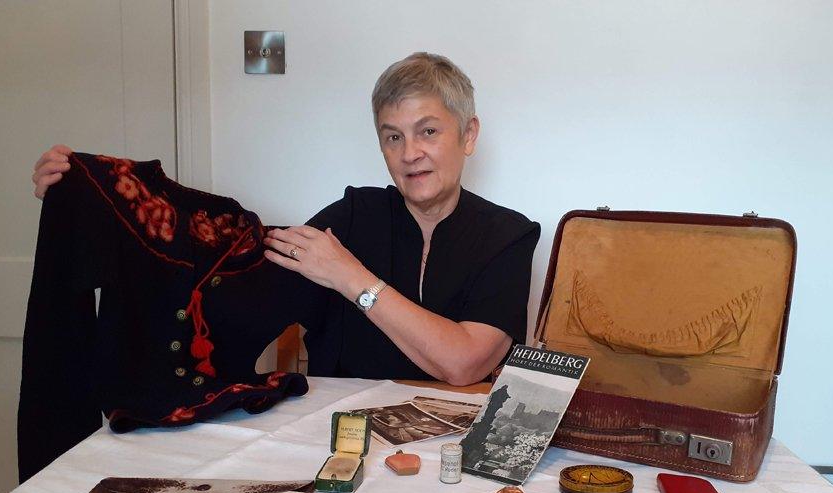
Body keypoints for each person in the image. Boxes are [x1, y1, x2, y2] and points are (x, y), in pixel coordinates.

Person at [31, 52, 540, 386]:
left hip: (452, 452)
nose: (410, 153)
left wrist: (350, 277)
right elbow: (227, 254)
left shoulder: (507, 236)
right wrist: (102, 196)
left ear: (468, 135)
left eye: (428, 131)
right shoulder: (353, 215)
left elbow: (464, 362)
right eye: (393, 136)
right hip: (338, 440)